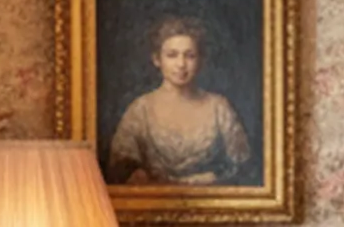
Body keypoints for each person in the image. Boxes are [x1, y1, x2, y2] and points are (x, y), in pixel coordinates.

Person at [106, 14, 255, 186]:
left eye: (190, 56)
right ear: (157, 59)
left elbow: (243, 167)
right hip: (154, 200)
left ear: (200, 60)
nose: (181, 64)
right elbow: (120, 168)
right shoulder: (140, 110)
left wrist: (212, 178)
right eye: (172, 55)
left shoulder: (219, 107)